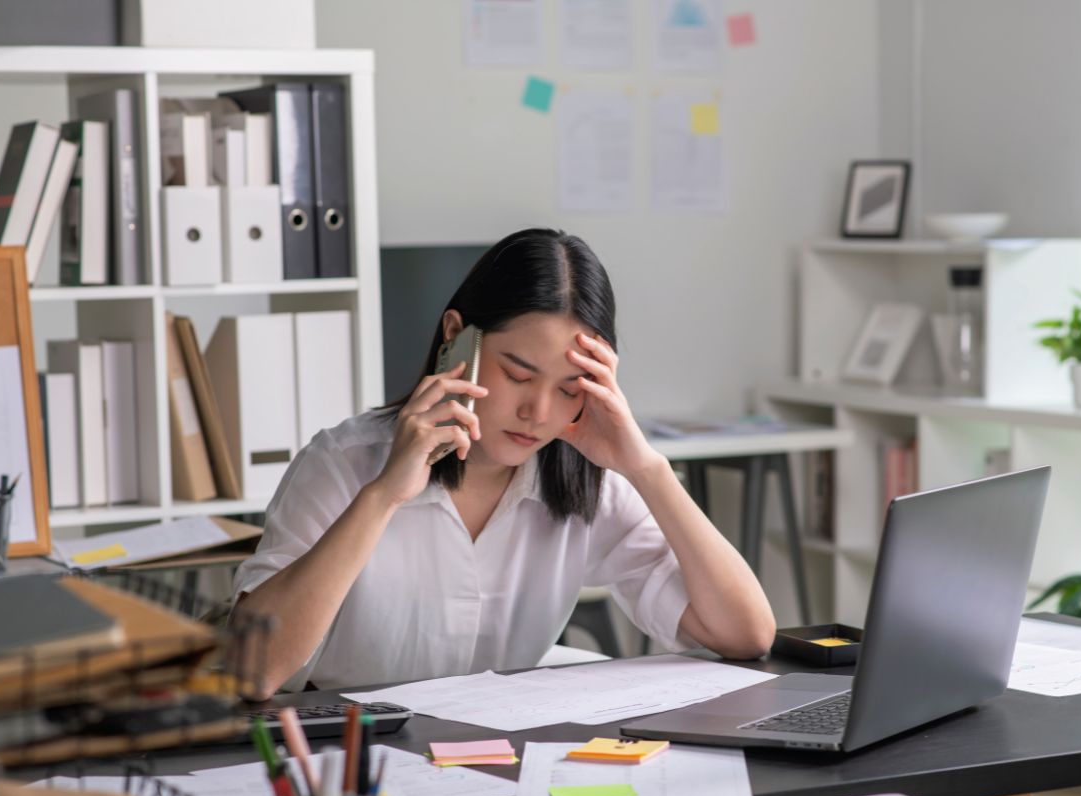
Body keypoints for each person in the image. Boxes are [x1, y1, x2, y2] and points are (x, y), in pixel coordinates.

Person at [233, 228, 775, 697]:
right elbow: (253, 672)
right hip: (351, 759)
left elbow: (746, 634)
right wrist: (382, 497)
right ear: (455, 338)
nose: (537, 413)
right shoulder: (343, 462)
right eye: (517, 374)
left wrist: (647, 468)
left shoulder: (580, 477)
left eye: (569, 389)